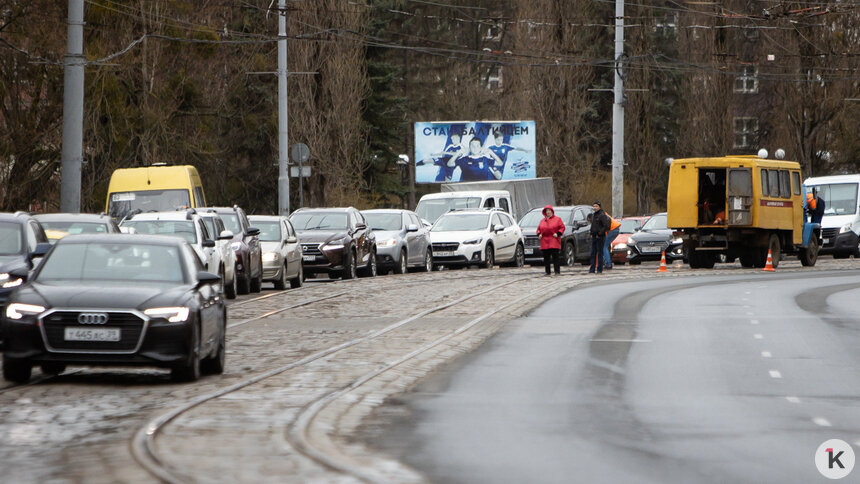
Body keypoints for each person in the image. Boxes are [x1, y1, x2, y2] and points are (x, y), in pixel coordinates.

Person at [537, 205, 565, 275]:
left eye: (549, 210)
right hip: (544, 241)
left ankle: (557, 271)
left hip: (554, 240)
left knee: (555, 257)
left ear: (552, 211)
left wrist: (558, 233)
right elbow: (538, 229)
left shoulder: (558, 219)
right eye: (547, 211)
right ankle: (547, 271)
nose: (548, 212)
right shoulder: (542, 221)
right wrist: (539, 234)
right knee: (546, 258)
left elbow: (562, 227)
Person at [589, 201, 610, 274]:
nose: (595, 208)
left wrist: (600, 233)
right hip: (594, 236)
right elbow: (593, 226)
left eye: (596, 206)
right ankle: (592, 269)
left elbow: (606, 226)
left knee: (600, 253)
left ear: (599, 207)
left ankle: (599, 269)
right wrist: (591, 233)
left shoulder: (602, 215)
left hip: (600, 237)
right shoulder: (594, 215)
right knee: (593, 253)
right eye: (594, 206)